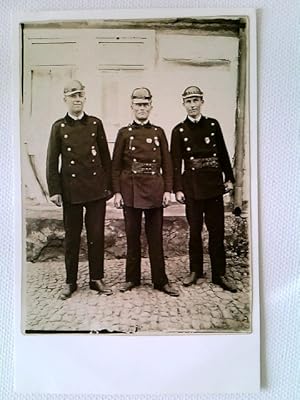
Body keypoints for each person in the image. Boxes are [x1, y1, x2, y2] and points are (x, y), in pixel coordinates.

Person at [46, 79, 112, 299]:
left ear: (85, 98)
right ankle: (70, 281)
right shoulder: (59, 126)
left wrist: (109, 187)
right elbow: (51, 160)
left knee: (96, 235)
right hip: (70, 191)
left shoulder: (95, 123)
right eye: (72, 96)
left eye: (79, 95)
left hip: (95, 190)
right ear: (65, 99)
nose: (76, 99)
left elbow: (105, 157)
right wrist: (54, 190)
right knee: (72, 237)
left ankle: (96, 279)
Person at [112, 87, 179, 296]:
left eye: (145, 104)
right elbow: (115, 166)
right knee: (132, 237)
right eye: (138, 105)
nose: (142, 108)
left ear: (151, 106)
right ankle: (132, 279)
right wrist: (117, 192)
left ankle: (160, 280)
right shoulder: (124, 133)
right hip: (130, 190)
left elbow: (167, 164)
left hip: (154, 191)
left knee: (155, 238)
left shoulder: (158, 132)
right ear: (132, 107)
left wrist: (168, 190)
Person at [170, 86, 237, 292]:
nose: (192, 105)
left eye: (195, 100)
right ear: (183, 104)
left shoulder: (213, 125)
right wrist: (177, 189)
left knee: (217, 231)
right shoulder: (179, 130)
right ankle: (195, 271)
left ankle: (219, 273)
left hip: (214, 186)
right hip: (192, 188)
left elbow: (224, 153)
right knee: (195, 231)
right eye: (188, 101)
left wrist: (230, 178)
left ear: (201, 102)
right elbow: (175, 162)